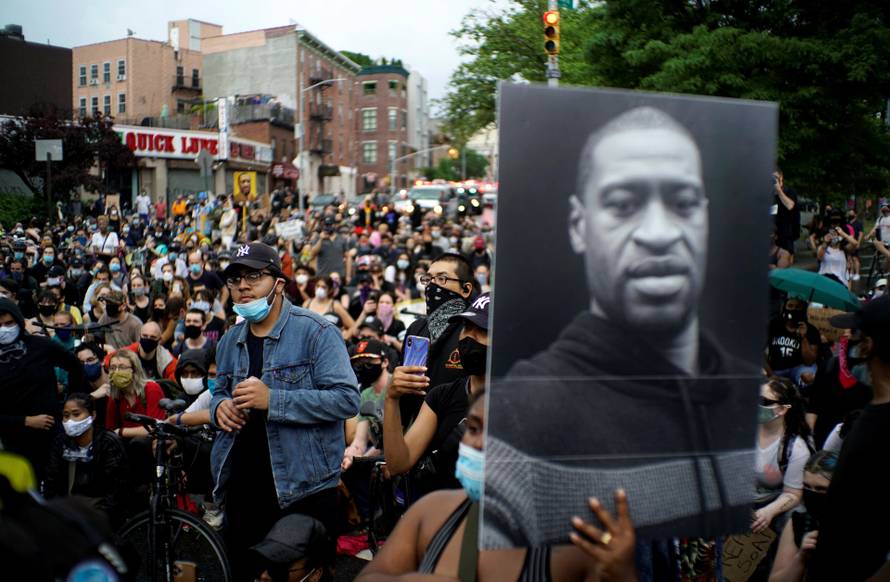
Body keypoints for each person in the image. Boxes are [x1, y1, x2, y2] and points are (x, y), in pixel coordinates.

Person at [484, 106, 758, 547]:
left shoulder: (749, 393)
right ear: (579, 225)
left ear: (705, 217)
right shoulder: (517, 417)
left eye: (684, 203)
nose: (659, 233)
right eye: (623, 205)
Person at [357, 390, 639, 582]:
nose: (480, 442)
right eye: (474, 428)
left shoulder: (574, 547)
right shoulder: (431, 513)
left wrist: (622, 574)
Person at [210, 241, 360, 580]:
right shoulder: (229, 340)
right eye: (235, 279)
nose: (243, 286)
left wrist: (273, 400)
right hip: (241, 488)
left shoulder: (317, 332)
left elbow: (346, 399)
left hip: (302, 490)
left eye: (254, 276)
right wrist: (219, 408)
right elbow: (218, 391)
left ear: (279, 284)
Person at [808, 295, 890, 581]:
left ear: (868, 345)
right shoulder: (867, 417)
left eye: (856, 335)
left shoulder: (883, 426)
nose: (850, 342)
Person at [384, 293, 490, 496]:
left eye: (482, 330)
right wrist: (391, 399)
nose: (470, 337)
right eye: (467, 327)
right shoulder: (441, 396)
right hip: (442, 508)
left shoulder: (517, 403)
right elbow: (398, 463)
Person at [0, 298, 84, 480]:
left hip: (51, 434)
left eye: (9, 323)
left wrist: (70, 405)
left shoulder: (40, 346)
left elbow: (75, 366)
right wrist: (25, 421)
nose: (4, 329)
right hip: (14, 441)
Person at [392, 253, 475, 428]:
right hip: (414, 435)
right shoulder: (416, 329)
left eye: (442, 278)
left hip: (456, 434)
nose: (432, 285)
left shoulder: (473, 331)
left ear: (466, 289)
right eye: (429, 279)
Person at [43, 393, 129, 527]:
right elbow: (51, 481)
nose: (70, 421)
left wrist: (103, 516)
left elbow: (117, 488)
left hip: (101, 513)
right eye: (66, 416)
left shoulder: (108, 442)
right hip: (67, 511)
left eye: (76, 414)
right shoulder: (60, 443)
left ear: (92, 415)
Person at [769, 450, 838, 582]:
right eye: (807, 487)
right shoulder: (799, 521)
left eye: (821, 489)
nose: (812, 494)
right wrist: (801, 557)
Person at [103, 348, 166, 438]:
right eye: (112, 368)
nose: (116, 372)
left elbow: (156, 428)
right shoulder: (115, 397)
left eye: (122, 367)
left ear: (134, 370)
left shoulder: (151, 389)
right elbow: (110, 431)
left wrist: (121, 431)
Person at [766, 297, 821, 387]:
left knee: (808, 381)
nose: (793, 309)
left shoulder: (811, 330)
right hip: (776, 369)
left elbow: (809, 362)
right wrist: (770, 374)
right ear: (784, 307)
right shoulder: (774, 325)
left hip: (799, 368)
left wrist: (803, 337)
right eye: (790, 306)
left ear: (803, 309)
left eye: (797, 307)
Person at [107, 321, 177, 382]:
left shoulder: (166, 359)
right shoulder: (130, 351)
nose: (148, 339)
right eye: (145, 336)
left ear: (159, 339)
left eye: (153, 337)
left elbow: (175, 379)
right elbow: (108, 360)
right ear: (140, 336)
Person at [816, 212, 858, 288]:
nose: (834, 236)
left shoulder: (844, 250)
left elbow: (855, 243)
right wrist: (825, 242)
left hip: (840, 285)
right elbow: (819, 257)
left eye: (836, 234)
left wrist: (843, 233)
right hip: (824, 283)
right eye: (832, 234)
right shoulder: (824, 248)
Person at [772, 170, 799, 261]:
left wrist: (779, 191)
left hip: (786, 236)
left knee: (783, 266)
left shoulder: (789, 191)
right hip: (772, 237)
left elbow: (790, 205)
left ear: (781, 178)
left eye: (775, 177)